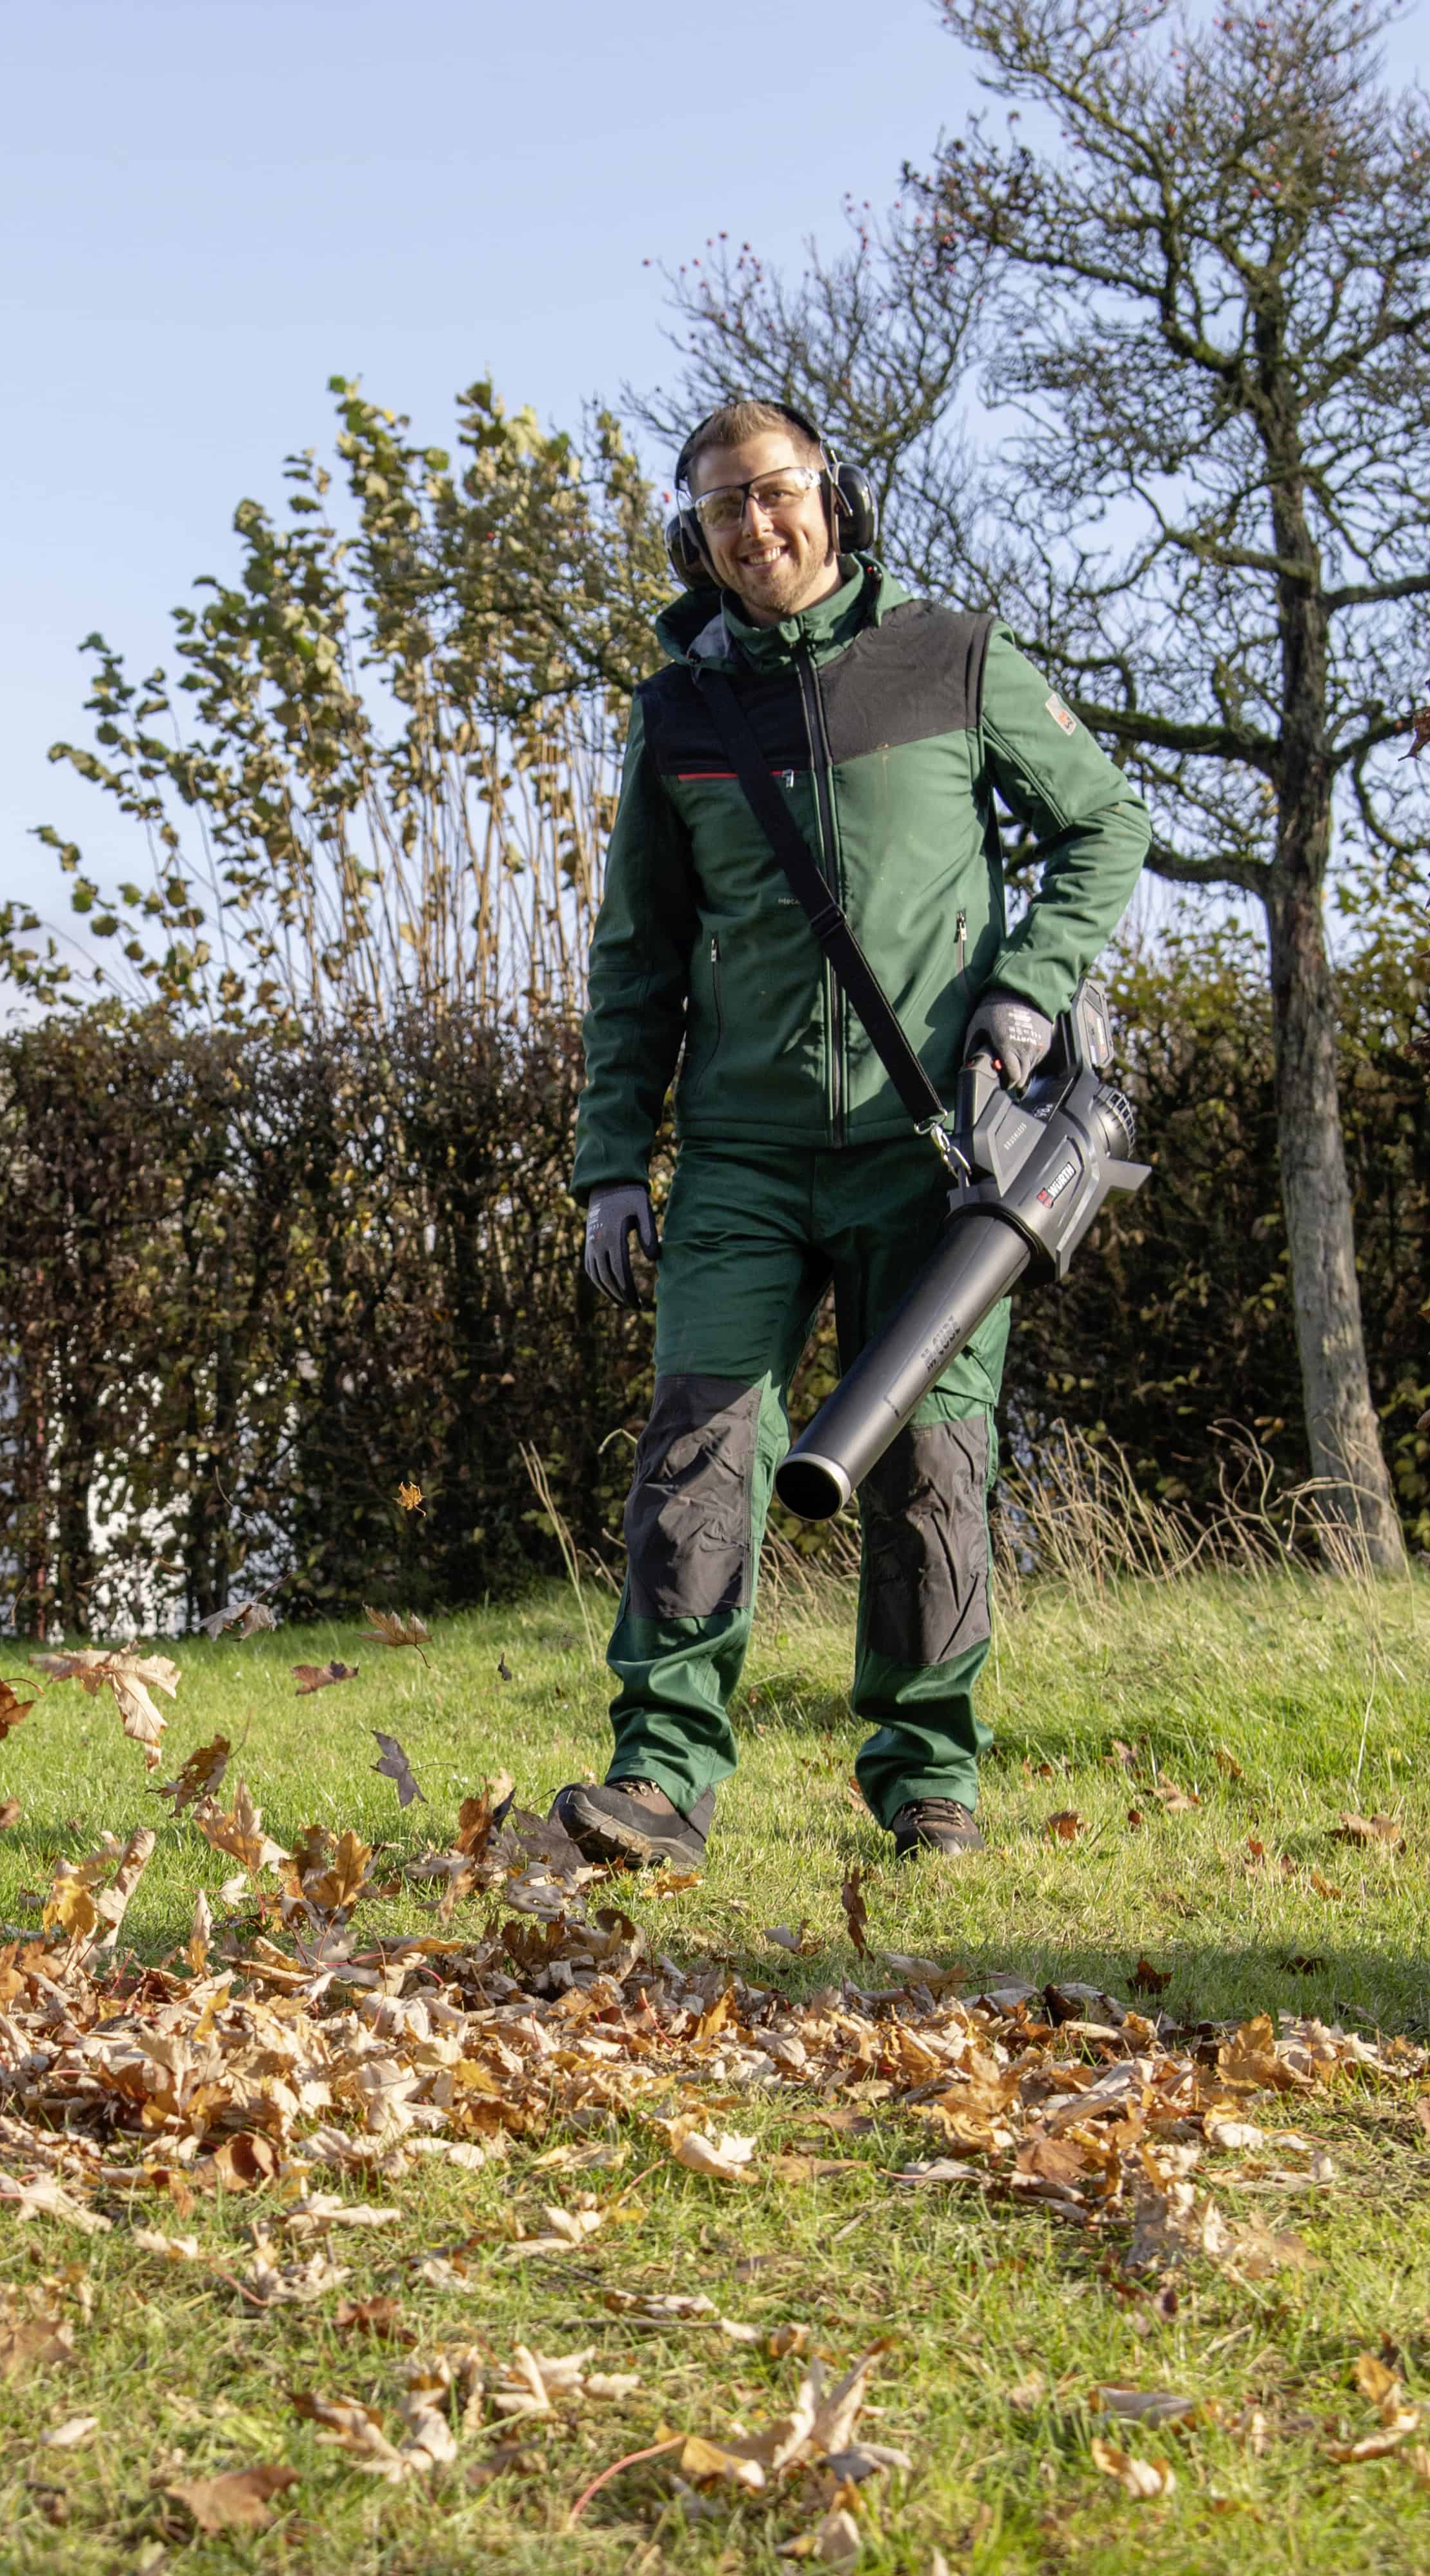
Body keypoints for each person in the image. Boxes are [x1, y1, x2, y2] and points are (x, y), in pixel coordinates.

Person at [556, 398, 1148, 1875]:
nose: (757, 527)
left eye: (776, 493)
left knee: (935, 1464)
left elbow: (1106, 826)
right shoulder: (678, 715)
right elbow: (637, 955)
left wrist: (1026, 987)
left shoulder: (952, 659)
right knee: (701, 1445)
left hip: (941, 1153)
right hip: (744, 1153)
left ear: (832, 496)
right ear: (696, 539)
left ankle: (928, 1777)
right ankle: (663, 1778)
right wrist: (613, 1160)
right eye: (722, 510)